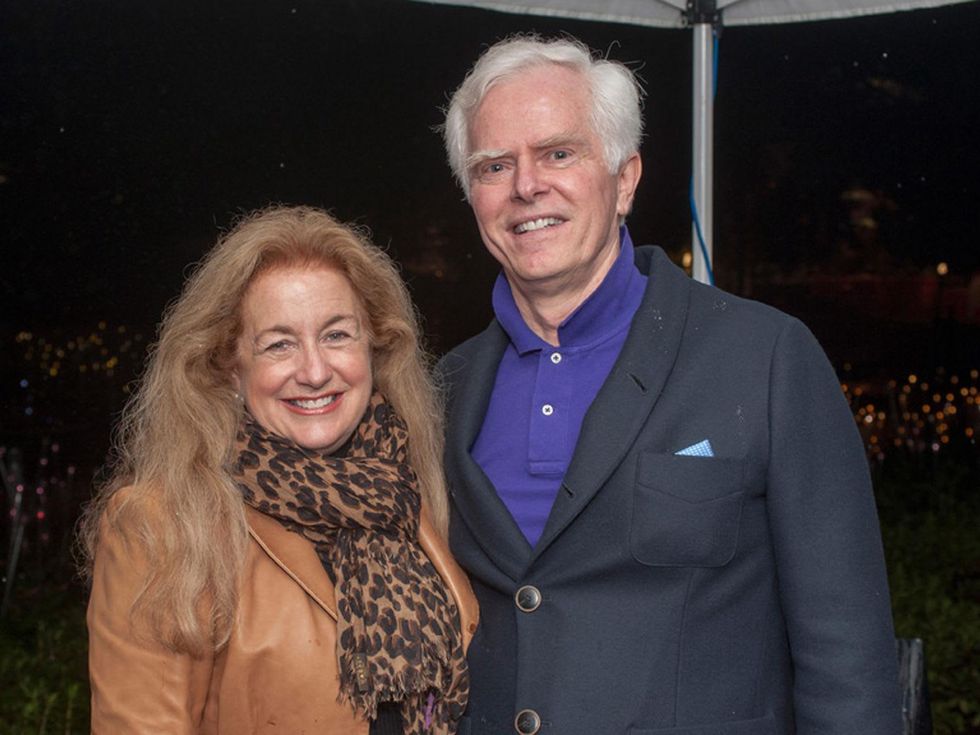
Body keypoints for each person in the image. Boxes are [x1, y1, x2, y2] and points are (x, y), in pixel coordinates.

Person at [437, 35, 901, 735]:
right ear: (473, 196)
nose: (525, 185)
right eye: (495, 165)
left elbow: (849, 662)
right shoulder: (444, 390)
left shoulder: (767, 359)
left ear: (625, 178)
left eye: (559, 153)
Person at [80, 206, 478, 734]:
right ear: (229, 367)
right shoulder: (161, 523)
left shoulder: (404, 489)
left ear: (374, 348)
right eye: (279, 344)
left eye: (337, 335)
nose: (314, 371)